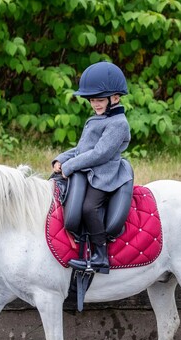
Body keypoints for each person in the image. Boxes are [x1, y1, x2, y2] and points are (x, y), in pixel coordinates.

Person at [52, 61, 133, 274]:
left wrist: (69, 167)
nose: (95, 104)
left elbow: (100, 154)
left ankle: (100, 255)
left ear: (114, 98)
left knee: (89, 207)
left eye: (99, 100)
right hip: (88, 170)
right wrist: (61, 159)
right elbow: (82, 149)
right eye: (92, 101)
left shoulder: (118, 124)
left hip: (105, 175)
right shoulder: (96, 119)